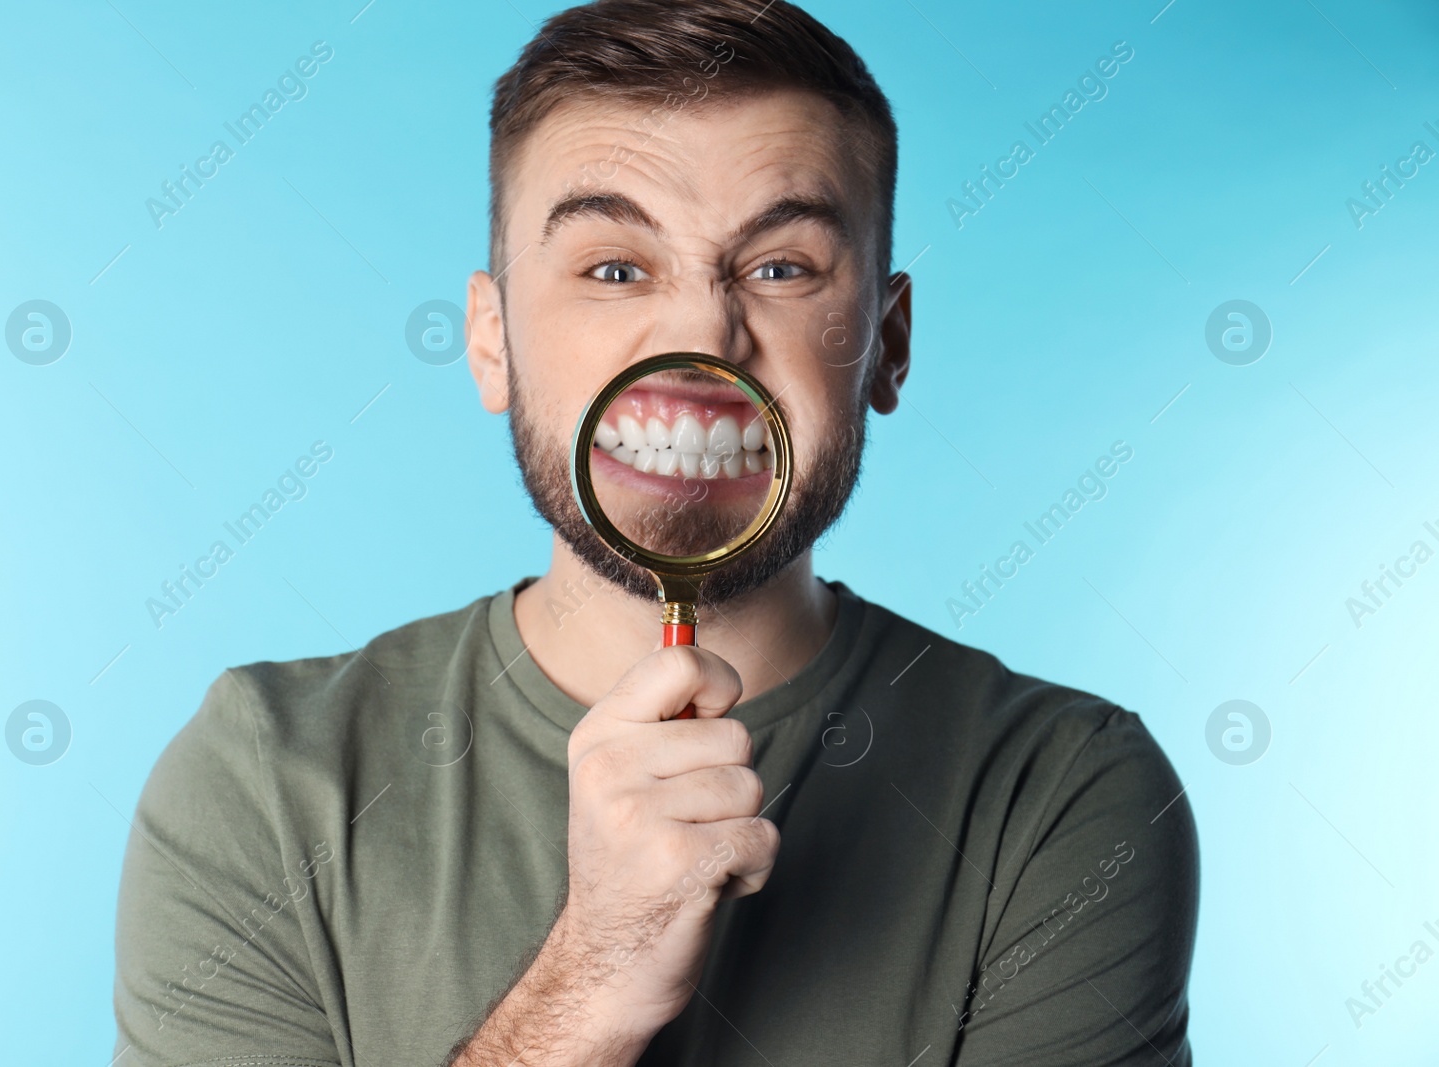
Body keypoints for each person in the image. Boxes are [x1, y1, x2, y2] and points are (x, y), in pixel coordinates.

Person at [112, 1, 1199, 1064]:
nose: (697, 334)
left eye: (780, 269)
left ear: (888, 343)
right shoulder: (266, 783)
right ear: (491, 342)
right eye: (614, 268)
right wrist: (589, 984)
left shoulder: (1059, 794)